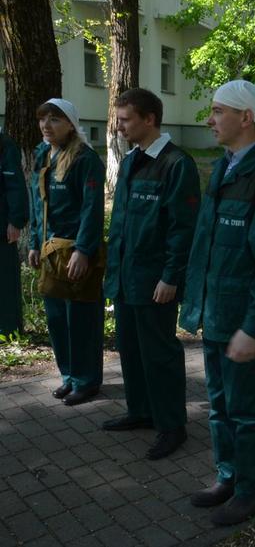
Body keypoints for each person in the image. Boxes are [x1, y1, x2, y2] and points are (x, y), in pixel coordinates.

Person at [179, 80, 255, 526]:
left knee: (248, 411)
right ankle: (228, 476)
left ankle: (254, 490)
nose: (210, 120)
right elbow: (207, 247)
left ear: (246, 118)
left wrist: (254, 328)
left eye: (217, 111)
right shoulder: (224, 168)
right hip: (215, 313)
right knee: (219, 406)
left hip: (244, 321)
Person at [101, 88, 201, 460]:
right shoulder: (130, 161)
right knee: (130, 349)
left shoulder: (177, 164)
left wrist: (171, 275)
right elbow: (122, 224)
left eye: (126, 119)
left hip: (156, 280)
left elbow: (182, 228)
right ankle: (141, 411)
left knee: (160, 354)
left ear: (149, 119)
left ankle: (172, 425)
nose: (119, 126)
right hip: (126, 278)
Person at [29, 99, 105, 406]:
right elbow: (38, 203)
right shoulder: (42, 154)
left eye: (55, 119)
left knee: (82, 319)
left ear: (71, 124)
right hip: (50, 251)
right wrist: (35, 242)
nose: (47, 125)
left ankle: (87, 381)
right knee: (58, 319)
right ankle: (69, 376)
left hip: (75, 252)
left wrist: (84, 250)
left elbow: (92, 209)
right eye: (43, 119)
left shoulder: (85, 159)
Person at [0, 130, 29, 337]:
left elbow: (15, 185)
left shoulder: (4, 145)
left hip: (2, 226)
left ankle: (9, 328)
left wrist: (15, 221)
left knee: (5, 278)